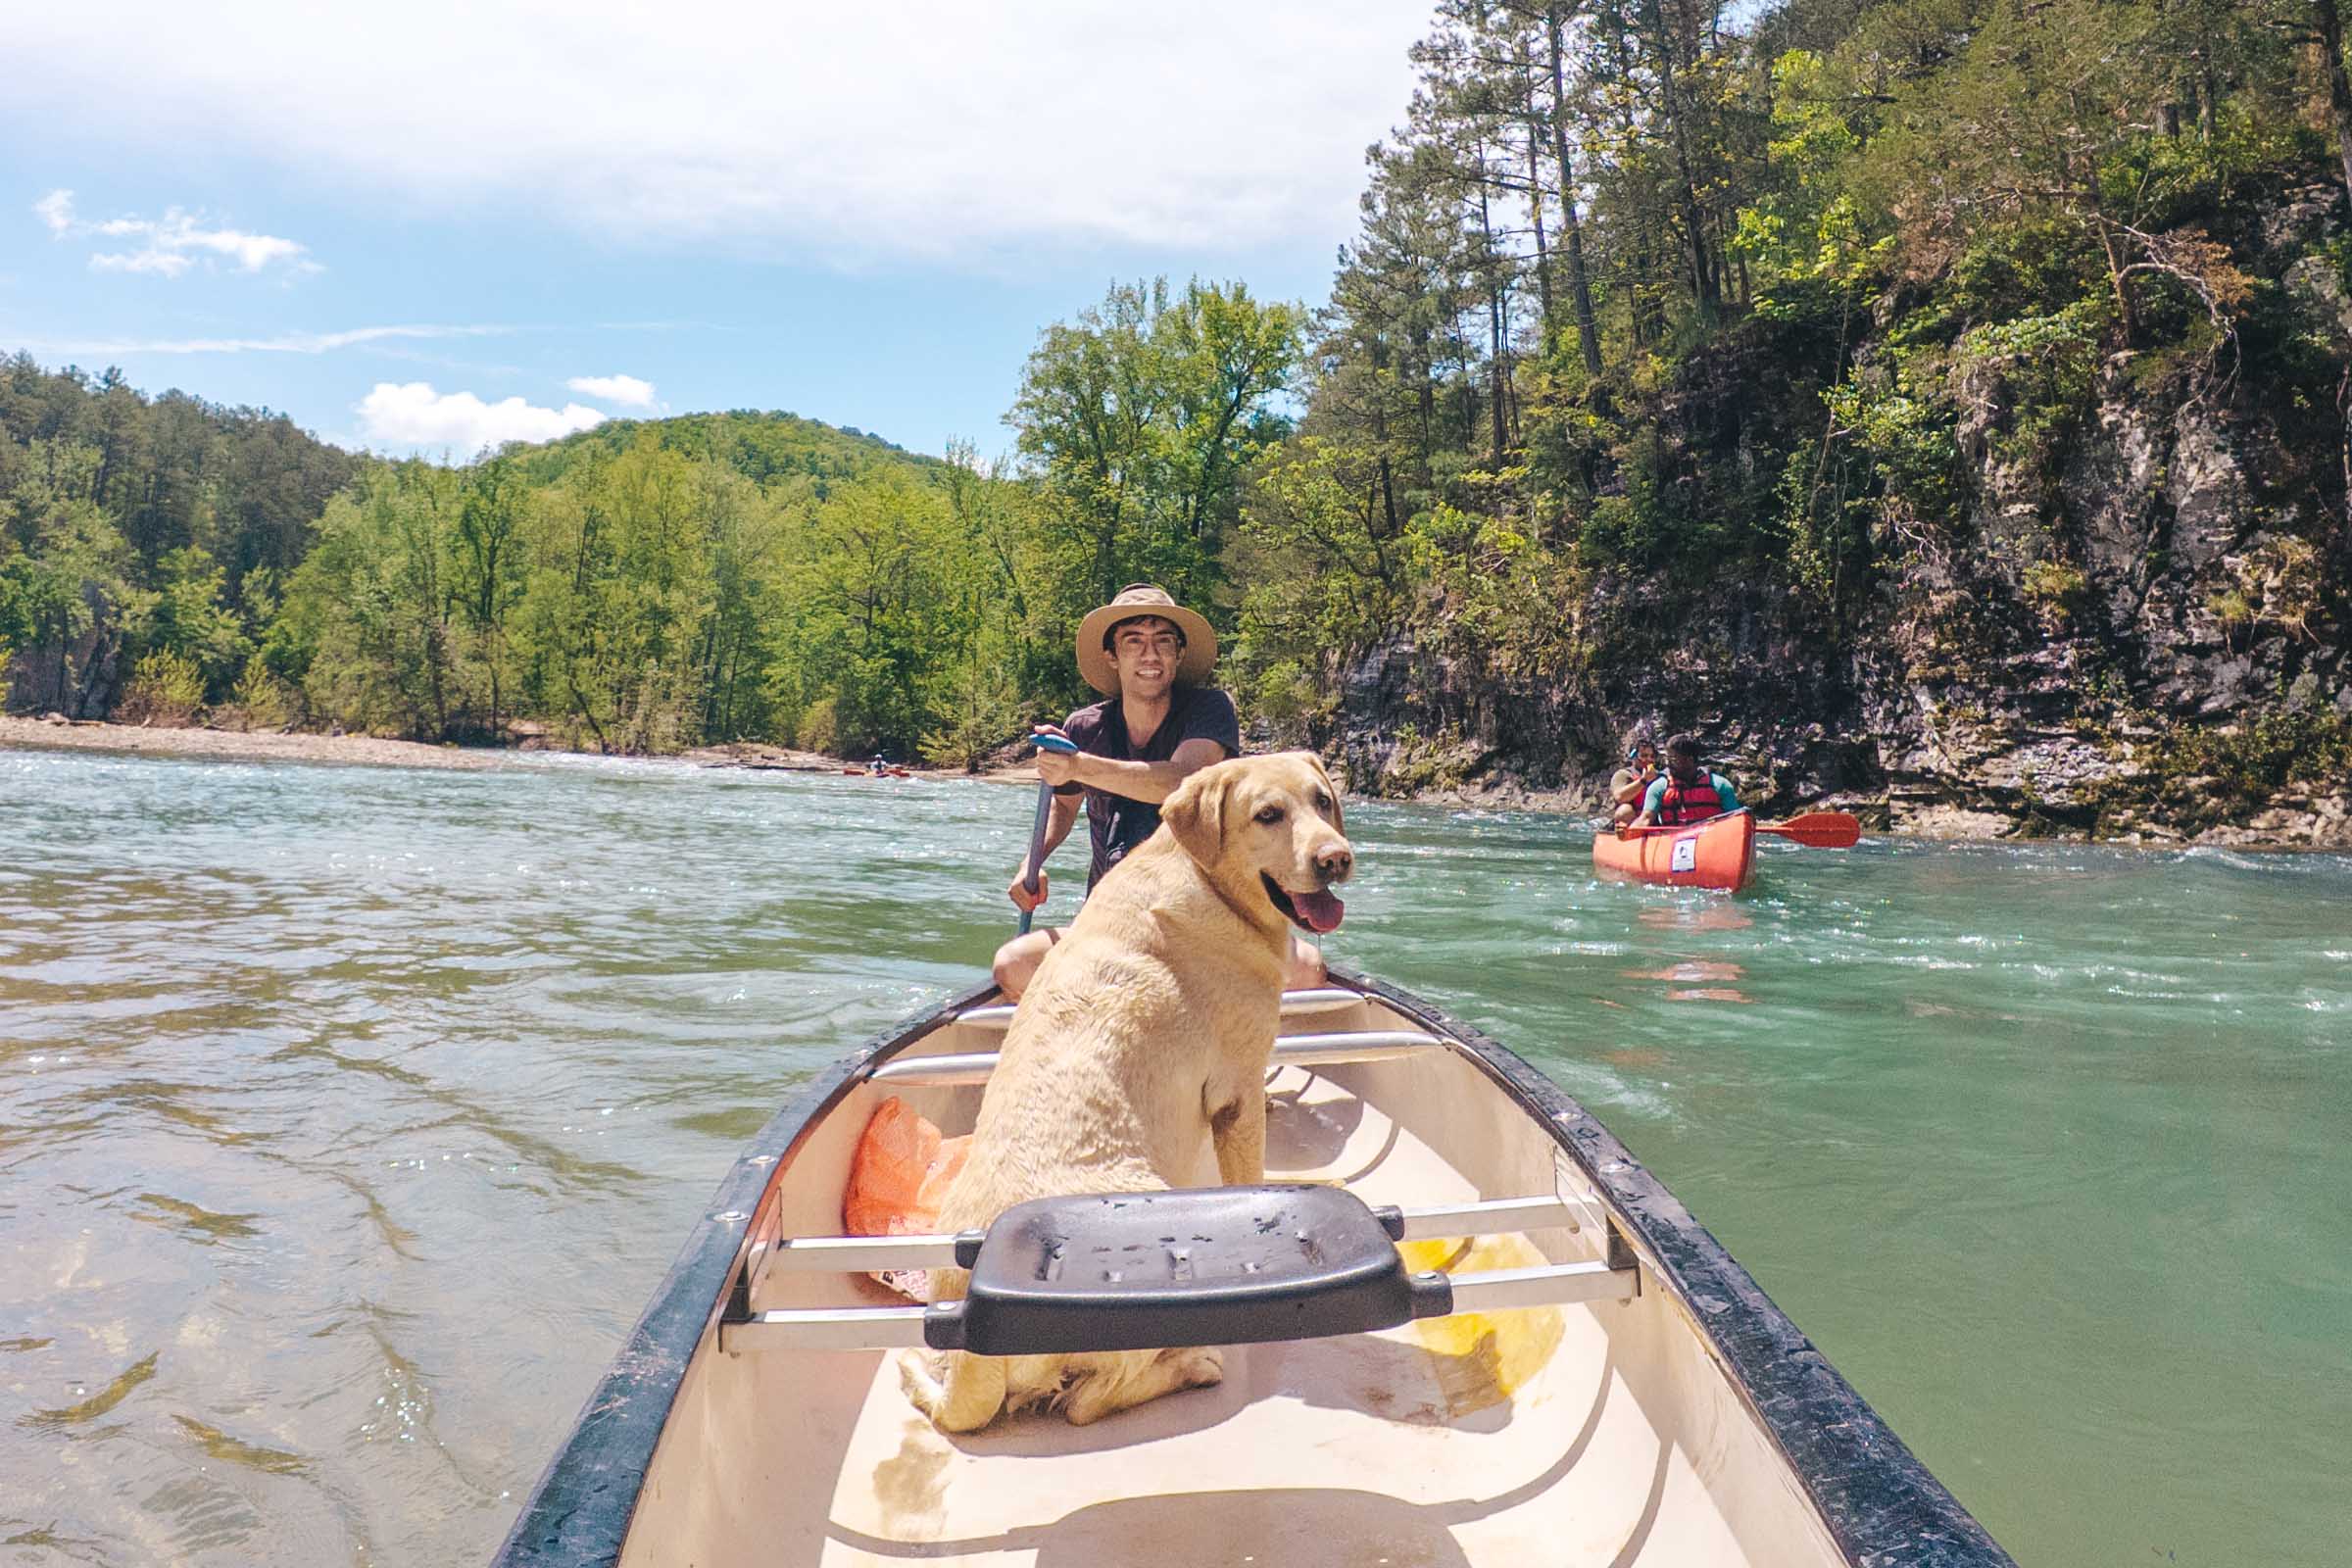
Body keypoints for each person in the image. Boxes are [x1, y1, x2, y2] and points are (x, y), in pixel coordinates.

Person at [991, 583, 1326, 1000]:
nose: (1150, 655)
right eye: (1133, 642)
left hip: (1208, 918)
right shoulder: (1085, 728)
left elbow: (1183, 781)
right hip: (1112, 919)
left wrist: (1078, 765)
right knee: (1012, 965)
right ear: (1112, 656)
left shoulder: (1209, 710)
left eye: (1163, 641)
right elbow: (1063, 805)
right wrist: (1031, 862)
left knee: (1309, 972)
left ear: (1179, 654)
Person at [1633, 734, 1740, 829]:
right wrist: (1627, 832)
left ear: (1690, 760)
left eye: (1673, 760)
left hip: (1711, 846)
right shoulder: (1659, 787)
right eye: (1667, 759)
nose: (1668, 764)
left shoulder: (1720, 785)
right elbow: (1645, 819)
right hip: (1674, 847)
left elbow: (1736, 821)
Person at [1609, 737, 1659, 828]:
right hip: (1630, 821)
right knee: (1624, 810)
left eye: (1652, 756)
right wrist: (1643, 780)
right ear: (1634, 756)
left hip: (1652, 819)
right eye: (1643, 756)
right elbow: (1619, 797)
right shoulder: (1623, 775)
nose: (1648, 759)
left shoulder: (1659, 777)